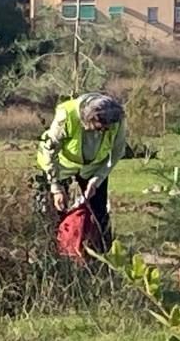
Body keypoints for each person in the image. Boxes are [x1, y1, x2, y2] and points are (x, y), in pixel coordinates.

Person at [37, 92, 126, 243]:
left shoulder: (115, 118)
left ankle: (102, 254)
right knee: (53, 212)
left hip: (94, 169)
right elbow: (48, 151)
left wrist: (97, 179)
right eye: (99, 128)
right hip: (62, 167)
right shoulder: (67, 114)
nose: (102, 132)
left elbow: (117, 151)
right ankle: (54, 251)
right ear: (88, 119)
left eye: (106, 129)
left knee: (99, 213)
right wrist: (55, 187)